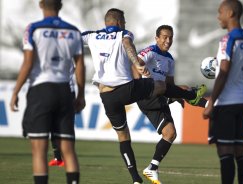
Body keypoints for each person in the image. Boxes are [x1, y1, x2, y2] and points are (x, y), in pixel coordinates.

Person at [82, 8, 206, 184]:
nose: (125, 24)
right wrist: (137, 64)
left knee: (125, 137)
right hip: (126, 89)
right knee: (162, 86)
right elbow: (127, 44)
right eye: (123, 21)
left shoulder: (92, 36)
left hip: (107, 96)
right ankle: (191, 95)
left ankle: (137, 178)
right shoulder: (124, 34)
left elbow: (73, 39)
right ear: (118, 22)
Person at [9, 0, 85, 183]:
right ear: (60, 6)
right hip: (64, 90)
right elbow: (80, 65)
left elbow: (28, 63)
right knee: (67, 149)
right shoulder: (74, 31)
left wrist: (15, 91)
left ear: (41, 5)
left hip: (41, 91)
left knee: (39, 149)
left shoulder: (33, 29)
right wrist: (81, 94)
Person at [135, 25, 207, 184]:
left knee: (170, 134)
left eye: (170, 38)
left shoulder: (170, 59)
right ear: (157, 38)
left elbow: (170, 85)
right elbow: (136, 62)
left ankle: (152, 168)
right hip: (146, 94)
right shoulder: (150, 51)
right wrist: (139, 77)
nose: (168, 41)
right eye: (165, 37)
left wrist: (178, 95)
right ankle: (205, 103)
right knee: (188, 92)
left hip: (160, 96)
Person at [203, 1, 243, 184]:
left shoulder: (228, 40)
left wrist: (211, 103)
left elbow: (223, 73)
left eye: (220, 12)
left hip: (226, 104)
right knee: (240, 151)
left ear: (231, 13)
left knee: (225, 152)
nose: (218, 16)